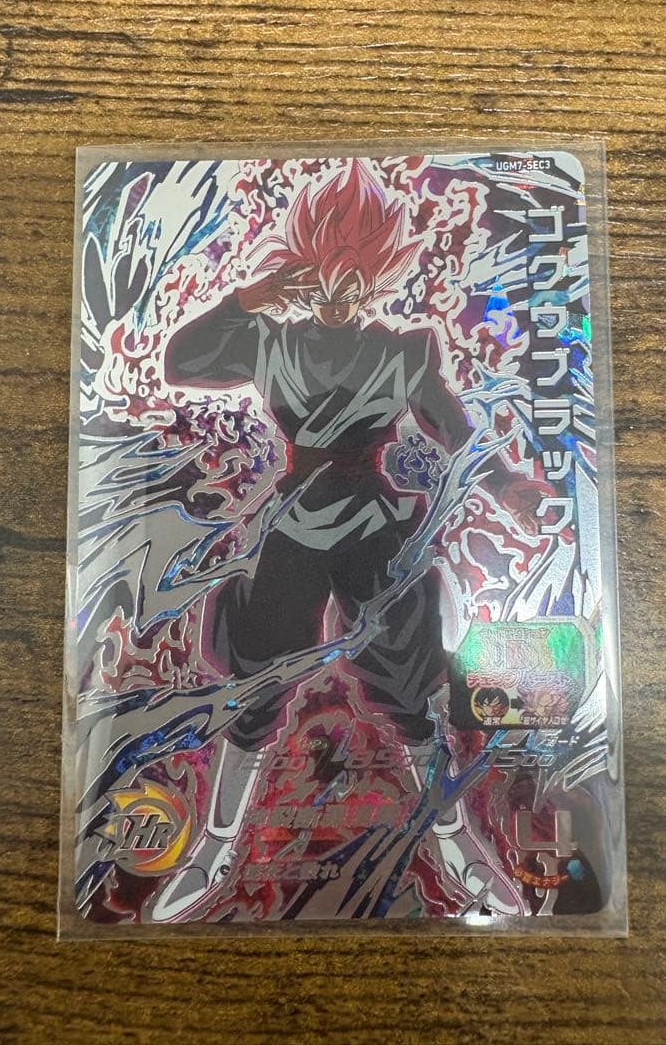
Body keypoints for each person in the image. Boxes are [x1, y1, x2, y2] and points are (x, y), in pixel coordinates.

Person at [149, 160, 540, 921]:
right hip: (292, 524)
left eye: (354, 277)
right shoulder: (269, 342)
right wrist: (247, 298)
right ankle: (213, 847)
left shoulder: (401, 353)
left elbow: (454, 430)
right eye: (324, 275)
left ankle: (453, 843)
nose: (338, 293)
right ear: (304, 272)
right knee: (259, 681)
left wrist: (507, 486)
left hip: (372, 525)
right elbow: (180, 361)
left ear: (377, 276)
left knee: (409, 688)